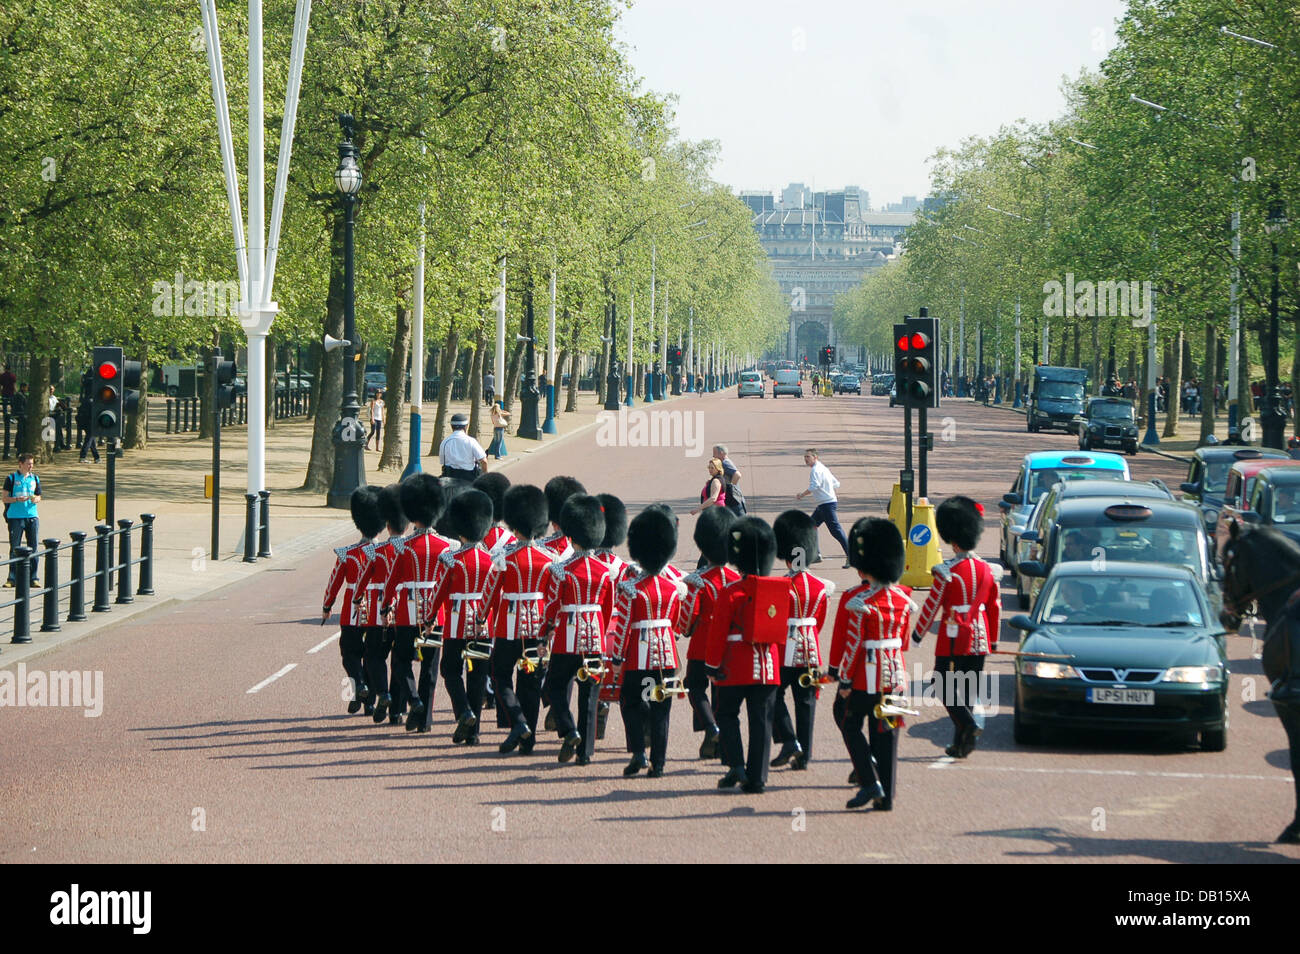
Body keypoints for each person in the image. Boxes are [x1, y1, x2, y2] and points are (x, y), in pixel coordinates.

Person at [832, 517, 914, 810]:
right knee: (887, 733)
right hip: (896, 675)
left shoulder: (859, 600)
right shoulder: (904, 599)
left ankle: (870, 781)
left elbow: (853, 646)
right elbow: (903, 641)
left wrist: (845, 681)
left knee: (849, 723)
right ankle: (886, 798)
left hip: (867, 676)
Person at [913, 496, 1002, 759]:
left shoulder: (946, 571)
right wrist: (994, 641)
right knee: (967, 691)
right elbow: (994, 606)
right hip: (981, 636)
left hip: (954, 637)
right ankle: (962, 744)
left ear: (953, 541)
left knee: (942, 684)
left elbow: (932, 605)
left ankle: (968, 726)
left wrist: (918, 633)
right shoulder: (987, 570)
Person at [705, 516, 787, 793]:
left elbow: (718, 633)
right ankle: (758, 778)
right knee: (761, 722)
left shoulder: (731, 591)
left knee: (726, 714)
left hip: (735, 665)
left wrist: (712, 665)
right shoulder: (779, 589)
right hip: (768, 666)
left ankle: (737, 766)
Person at [607, 507, 687, 778]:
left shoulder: (631, 588)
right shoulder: (673, 587)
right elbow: (676, 622)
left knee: (630, 701)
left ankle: (639, 752)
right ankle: (658, 764)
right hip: (666, 656)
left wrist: (616, 659)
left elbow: (623, 627)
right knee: (660, 709)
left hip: (638, 657)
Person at [539, 495, 613, 765]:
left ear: (572, 536)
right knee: (589, 694)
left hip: (567, 639)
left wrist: (544, 632)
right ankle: (586, 753)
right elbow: (607, 609)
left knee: (555, 687)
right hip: (594, 637)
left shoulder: (562, 569)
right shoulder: (605, 572)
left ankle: (570, 731)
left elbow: (553, 605)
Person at [482, 484, 553, 754]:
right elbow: (552, 596)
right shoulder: (549, 558)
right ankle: (528, 738)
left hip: (508, 625)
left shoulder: (503, 556)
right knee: (530, 681)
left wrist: (480, 617)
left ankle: (519, 722)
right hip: (536, 627)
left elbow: (490, 591)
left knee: (500, 676)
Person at [423, 490, 496, 745]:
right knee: (477, 676)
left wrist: (430, 616)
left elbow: (439, 590)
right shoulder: (492, 560)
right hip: (483, 623)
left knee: (450, 670)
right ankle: (473, 733)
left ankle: (464, 712)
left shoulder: (452, 559)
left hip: (455, 622)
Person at [381, 474, 452, 733]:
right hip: (436, 614)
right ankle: (425, 721)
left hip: (407, 612)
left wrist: (385, 605)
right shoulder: (447, 546)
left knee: (401, 661)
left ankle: (413, 700)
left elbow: (391, 581)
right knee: (430, 668)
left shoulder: (404, 547)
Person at [770, 510, 834, 771]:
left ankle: (788, 739)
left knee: (772, 694)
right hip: (811, 648)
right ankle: (804, 754)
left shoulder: (781, 586)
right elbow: (819, 621)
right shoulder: (821, 587)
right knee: (806, 701)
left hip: (786, 646)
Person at [680, 506, 739, 759]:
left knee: (694, 685)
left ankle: (712, 727)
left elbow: (689, 615)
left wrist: (685, 629)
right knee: (719, 691)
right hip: (729, 643)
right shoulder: (736, 578)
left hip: (703, 640)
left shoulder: (699, 579)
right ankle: (714, 742)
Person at [323, 486, 386, 715]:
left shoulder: (348, 553)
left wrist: (327, 605)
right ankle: (368, 702)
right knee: (372, 654)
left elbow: (334, 582)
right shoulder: (387, 552)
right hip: (377, 609)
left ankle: (358, 686)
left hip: (353, 608)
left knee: (350, 654)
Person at [351, 485, 409, 725]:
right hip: (406, 612)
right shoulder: (413, 549)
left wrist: (356, 601)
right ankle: (397, 710)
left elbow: (362, 580)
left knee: (374, 656)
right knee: (399, 661)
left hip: (379, 611)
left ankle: (383, 694)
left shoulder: (378, 551)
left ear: (387, 525)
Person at [795, 448, 850, 568]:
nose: (806, 460)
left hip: (827, 504)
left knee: (835, 530)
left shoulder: (815, 470)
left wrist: (802, 495)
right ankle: (816, 554)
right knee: (810, 526)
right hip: (824, 504)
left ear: (815, 457)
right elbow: (836, 483)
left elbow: (815, 486)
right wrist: (828, 488)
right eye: (805, 457)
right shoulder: (824, 468)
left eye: (808, 457)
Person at [4, 454, 42, 588]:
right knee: (15, 547)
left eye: (32, 463)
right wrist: (16, 499)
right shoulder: (11, 478)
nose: (30, 466)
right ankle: (12, 577)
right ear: (20, 464)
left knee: (34, 547)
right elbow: (4, 498)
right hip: (15, 516)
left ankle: (34, 577)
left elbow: (39, 496)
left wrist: (36, 499)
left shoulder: (35, 478)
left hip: (31, 516)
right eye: (28, 463)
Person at [439, 412, 488, 480]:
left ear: (451, 426)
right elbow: (484, 461)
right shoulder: (471, 441)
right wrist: (485, 476)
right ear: (466, 426)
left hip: (450, 477)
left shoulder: (444, 442)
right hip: (469, 478)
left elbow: (443, 462)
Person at [77, 393, 99, 462]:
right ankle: (82, 456)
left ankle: (97, 457)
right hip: (91, 423)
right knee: (89, 440)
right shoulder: (93, 402)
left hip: (84, 422)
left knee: (91, 440)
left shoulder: (85, 401)